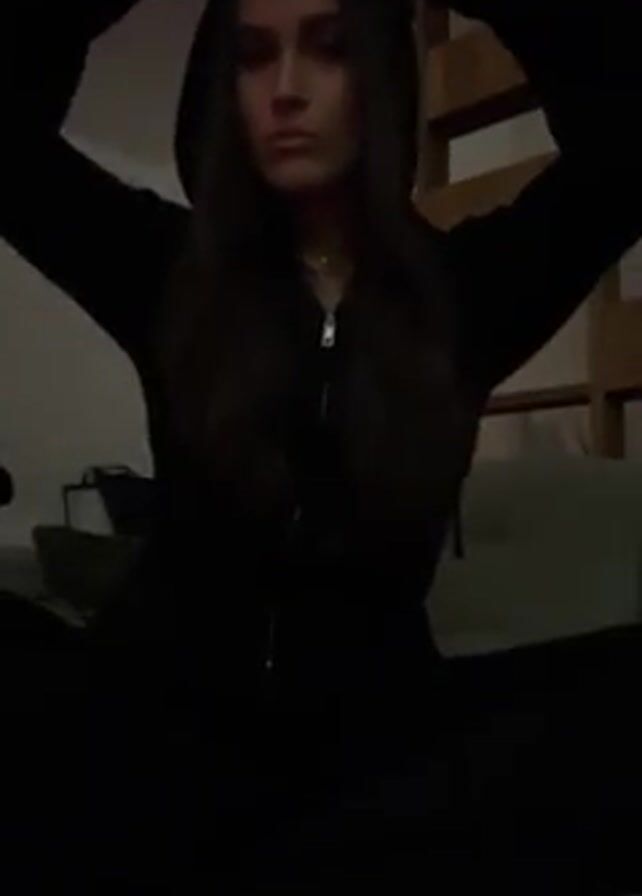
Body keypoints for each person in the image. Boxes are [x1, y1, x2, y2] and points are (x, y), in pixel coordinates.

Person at [3, 0, 642, 892]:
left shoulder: (462, 296)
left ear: (380, 80)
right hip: (158, 732)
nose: (287, 89)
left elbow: (624, 154)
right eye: (253, 56)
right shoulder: (172, 271)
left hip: (377, 764)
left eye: (332, 50)